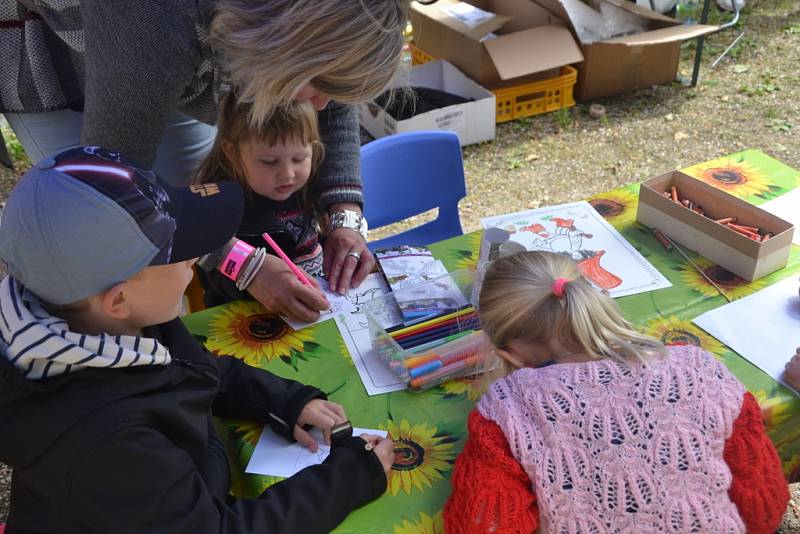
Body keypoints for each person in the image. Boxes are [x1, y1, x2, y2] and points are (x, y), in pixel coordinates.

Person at [0, 147, 394, 533]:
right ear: (118, 298)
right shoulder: (109, 441)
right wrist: (348, 478)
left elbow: (193, 369)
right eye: (181, 250)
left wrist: (283, 400)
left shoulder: (107, 325)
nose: (195, 258)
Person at [1, 0, 408, 303]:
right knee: (101, 248)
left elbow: (333, 93)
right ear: (284, 48)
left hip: (162, 44)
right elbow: (114, 188)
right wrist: (241, 264)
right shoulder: (157, 20)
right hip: (54, 54)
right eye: (317, 88)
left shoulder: (305, 30)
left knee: (194, 207)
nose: (320, 107)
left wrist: (345, 216)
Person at [445, 251, 789, 534]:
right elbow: (764, 509)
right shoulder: (702, 369)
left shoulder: (507, 412)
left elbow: (483, 526)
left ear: (509, 355)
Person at [193, 97, 372, 314]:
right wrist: (249, 272)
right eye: (269, 161)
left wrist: (344, 254)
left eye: (299, 158)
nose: (287, 174)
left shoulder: (309, 185)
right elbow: (212, 274)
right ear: (232, 152)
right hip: (246, 326)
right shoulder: (217, 203)